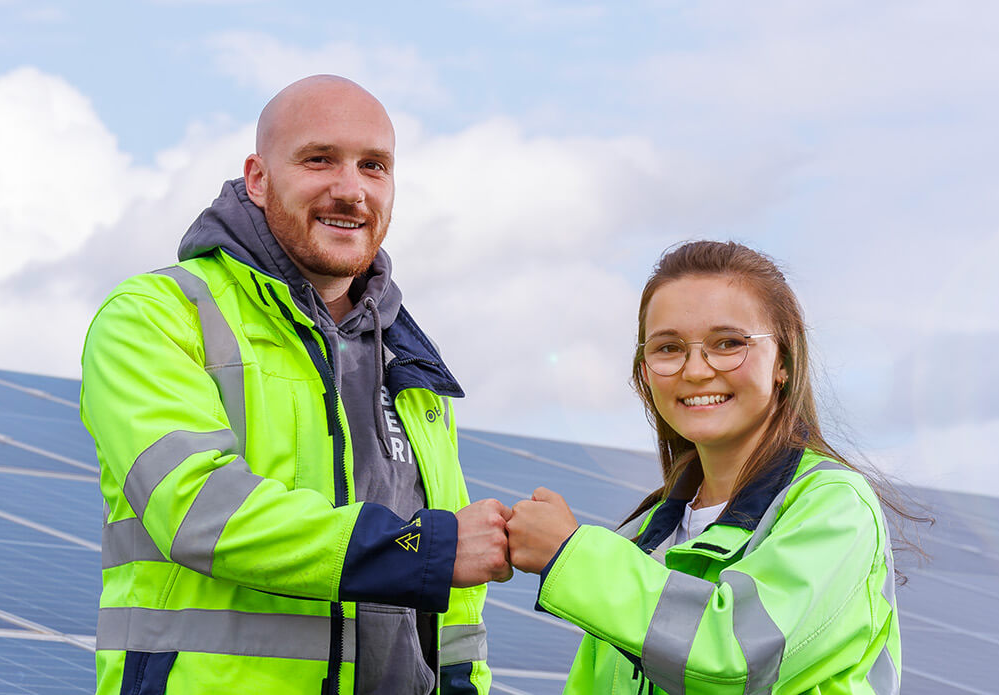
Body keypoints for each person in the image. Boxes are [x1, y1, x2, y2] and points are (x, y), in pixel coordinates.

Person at [80, 75, 507, 695]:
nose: (350, 190)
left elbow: (457, 602)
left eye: (374, 167)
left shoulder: (409, 361)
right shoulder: (159, 314)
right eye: (318, 160)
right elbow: (199, 512)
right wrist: (425, 550)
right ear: (257, 178)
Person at [504, 240, 923, 694]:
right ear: (644, 371)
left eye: (728, 344)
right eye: (668, 348)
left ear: (783, 358)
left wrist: (569, 556)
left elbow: (733, 661)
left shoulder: (834, 507)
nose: (697, 370)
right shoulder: (638, 544)